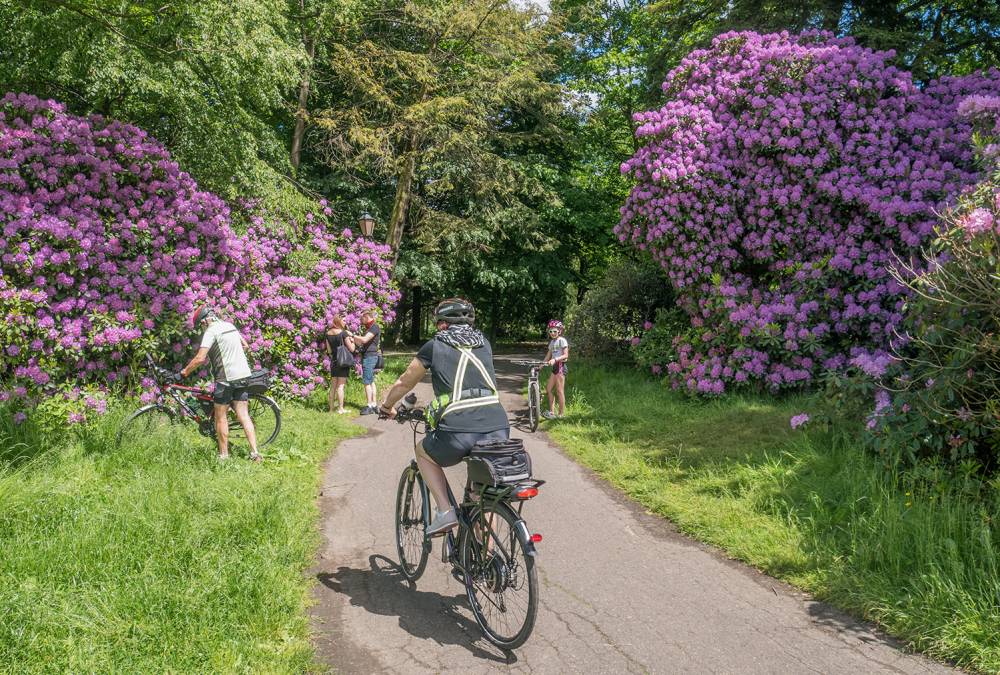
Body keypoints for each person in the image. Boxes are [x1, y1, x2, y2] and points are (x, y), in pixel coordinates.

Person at [380, 298, 509, 536]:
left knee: (423, 452)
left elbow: (406, 381)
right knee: (481, 497)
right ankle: (489, 563)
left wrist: (387, 406)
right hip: (499, 427)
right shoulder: (485, 344)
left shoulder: (435, 346)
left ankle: (444, 511)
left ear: (442, 324)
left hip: (459, 430)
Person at [180, 306, 261, 462]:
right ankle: (255, 453)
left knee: (220, 417)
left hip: (226, 379)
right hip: (243, 375)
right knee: (243, 415)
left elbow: (200, 358)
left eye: (201, 325)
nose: (202, 329)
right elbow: (245, 345)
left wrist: (184, 372)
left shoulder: (211, 331)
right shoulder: (229, 326)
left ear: (204, 321)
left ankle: (224, 456)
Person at [353, 310, 382, 415]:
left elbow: (364, 340)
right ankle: (374, 405)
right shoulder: (370, 328)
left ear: (366, 316)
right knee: (371, 381)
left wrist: (352, 335)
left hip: (369, 357)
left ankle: (369, 406)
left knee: (366, 382)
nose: (361, 320)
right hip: (369, 356)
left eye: (362, 318)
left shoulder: (374, 327)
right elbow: (361, 341)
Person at [324, 314, 355, 414]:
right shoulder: (343, 333)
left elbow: (329, 350)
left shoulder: (328, 333)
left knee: (333, 386)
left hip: (334, 362)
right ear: (339, 321)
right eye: (344, 320)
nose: (345, 322)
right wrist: (352, 341)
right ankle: (341, 409)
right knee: (341, 386)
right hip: (343, 362)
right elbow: (352, 349)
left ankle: (331, 409)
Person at [542, 319, 569, 419]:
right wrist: (540, 366)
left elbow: (566, 355)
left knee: (559, 391)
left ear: (559, 331)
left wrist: (555, 359)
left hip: (561, 366)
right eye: (551, 331)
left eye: (555, 331)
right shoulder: (552, 343)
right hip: (554, 367)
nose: (552, 333)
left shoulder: (562, 340)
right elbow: (547, 356)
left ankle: (561, 414)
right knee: (548, 389)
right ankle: (552, 412)